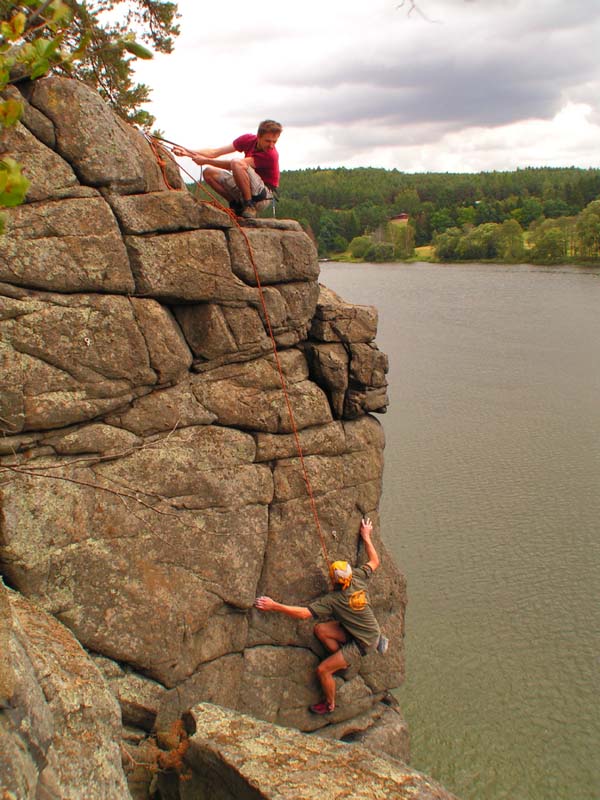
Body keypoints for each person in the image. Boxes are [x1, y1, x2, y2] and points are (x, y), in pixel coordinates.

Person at [254, 517, 389, 715]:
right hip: (361, 630)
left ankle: (330, 704)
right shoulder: (358, 577)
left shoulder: (334, 600)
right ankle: (344, 656)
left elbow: (303, 614)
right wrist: (366, 536)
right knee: (321, 630)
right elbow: (375, 561)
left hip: (364, 642)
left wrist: (274, 606)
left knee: (322, 670)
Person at [171, 119, 282, 218]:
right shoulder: (247, 140)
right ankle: (236, 205)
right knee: (209, 173)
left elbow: (233, 165)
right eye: (268, 141)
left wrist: (205, 161)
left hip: (262, 197)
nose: (271, 145)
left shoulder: (271, 155)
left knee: (236, 163)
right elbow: (214, 152)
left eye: (274, 142)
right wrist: (186, 151)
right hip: (248, 186)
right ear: (258, 136)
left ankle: (249, 205)